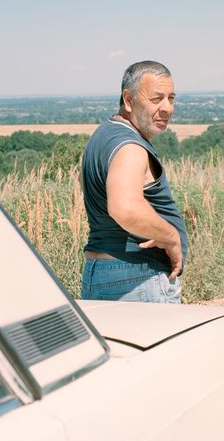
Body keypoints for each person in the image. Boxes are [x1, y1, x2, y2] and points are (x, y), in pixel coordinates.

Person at [80, 60, 188, 303]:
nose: (167, 108)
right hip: (137, 279)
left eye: (171, 98)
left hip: (99, 274)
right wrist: (171, 236)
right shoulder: (130, 147)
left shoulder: (102, 136)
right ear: (128, 100)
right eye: (156, 98)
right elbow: (125, 208)